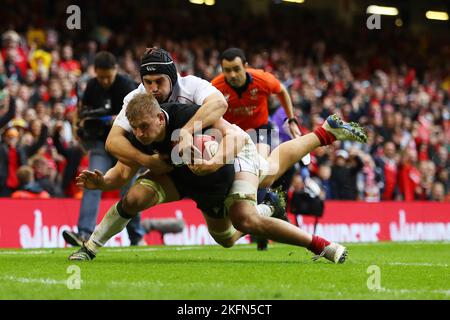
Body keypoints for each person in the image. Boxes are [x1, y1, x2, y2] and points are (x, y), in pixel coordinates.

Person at [68, 92, 367, 263]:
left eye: (145, 127)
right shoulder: (138, 136)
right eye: (137, 129)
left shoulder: (187, 113)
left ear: (160, 117)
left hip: (233, 160)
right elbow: (122, 172)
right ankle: (91, 247)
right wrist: (104, 182)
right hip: (190, 181)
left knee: (249, 211)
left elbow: (236, 136)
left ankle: (323, 246)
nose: (141, 134)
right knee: (221, 238)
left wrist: (213, 162)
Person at [104, 47, 228, 231]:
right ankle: (92, 244)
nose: (153, 88)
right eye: (148, 82)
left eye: (159, 81)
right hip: (172, 170)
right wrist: (147, 161)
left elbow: (219, 103)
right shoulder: (136, 97)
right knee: (134, 197)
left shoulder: (191, 85)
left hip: (210, 163)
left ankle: (266, 208)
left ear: (172, 77)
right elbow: (112, 141)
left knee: (228, 235)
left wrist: (185, 132)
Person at [211, 48, 309, 250]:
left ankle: (261, 219)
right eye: (227, 70)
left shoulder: (262, 79)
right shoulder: (216, 86)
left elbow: (282, 90)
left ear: (245, 67)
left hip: (260, 131)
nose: (232, 75)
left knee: (258, 169)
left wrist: (291, 119)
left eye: (236, 69)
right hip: (232, 135)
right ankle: (265, 212)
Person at [62, 51, 146, 246]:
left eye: (108, 76)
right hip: (100, 143)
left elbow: (137, 113)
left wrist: (110, 118)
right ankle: (83, 233)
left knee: (129, 191)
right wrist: (80, 126)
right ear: (95, 72)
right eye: (101, 77)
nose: (105, 81)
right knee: (92, 182)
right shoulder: (92, 85)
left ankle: (137, 236)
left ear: (115, 70)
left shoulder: (127, 85)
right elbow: (81, 112)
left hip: (125, 143)